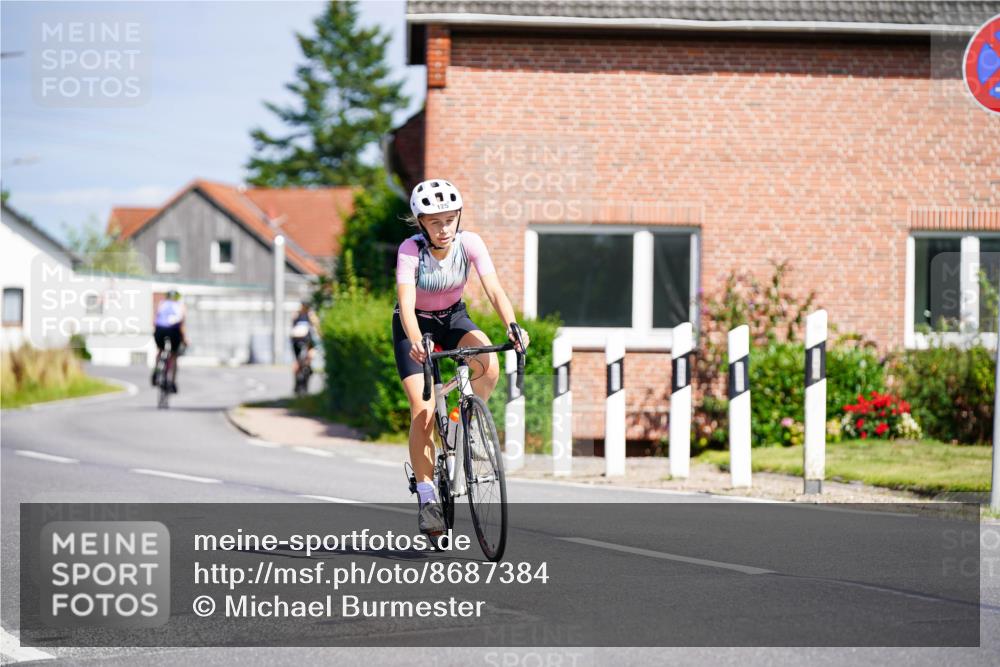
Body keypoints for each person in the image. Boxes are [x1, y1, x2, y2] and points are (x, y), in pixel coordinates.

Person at [394, 179, 529, 536]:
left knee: (488, 363)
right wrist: (414, 340)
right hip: (416, 326)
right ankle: (427, 499)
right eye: (435, 221)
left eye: (450, 219)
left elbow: (494, 288)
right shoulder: (410, 250)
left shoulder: (470, 243)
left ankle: (465, 425)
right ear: (421, 223)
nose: (444, 228)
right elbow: (406, 305)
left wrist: (512, 326)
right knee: (422, 412)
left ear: (458, 217)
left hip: (453, 318)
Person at [152, 289, 187, 393]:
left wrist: (156, 331)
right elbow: (182, 323)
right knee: (174, 355)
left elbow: (155, 320)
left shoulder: (161, 304)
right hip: (174, 330)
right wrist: (185, 338)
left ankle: (156, 371)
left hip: (160, 329)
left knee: (160, 350)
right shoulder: (181, 306)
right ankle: (172, 382)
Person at [290, 299, 320, 379]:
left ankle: (305, 367)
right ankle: (299, 374)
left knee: (306, 356)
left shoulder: (306, 315)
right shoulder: (299, 314)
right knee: (299, 360)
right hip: (300, 340)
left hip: (303, 340)